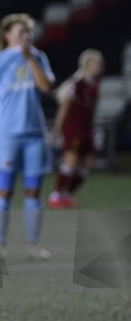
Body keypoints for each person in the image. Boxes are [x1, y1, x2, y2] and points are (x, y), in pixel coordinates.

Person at [0, 13, 55, 260]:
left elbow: (46, 87)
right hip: (8, 135)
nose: (24, 36)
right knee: (4, 191)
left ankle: (33, 245)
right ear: (7, 35)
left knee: (33, 192)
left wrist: (30, 59)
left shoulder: (39, 57)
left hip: (34, 135)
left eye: (28, 32)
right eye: (20, 32)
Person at [49, 49, 104, 208]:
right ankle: (56, 195)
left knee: (88, 163)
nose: (99, 67)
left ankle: (66, 194)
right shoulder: (76, 84)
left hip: (86, 129)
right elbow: (64, 107)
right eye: (96, 63)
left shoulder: (95, 86)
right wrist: (58, 129)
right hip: (73, 128)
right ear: (86, 65)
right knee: (71, 161)